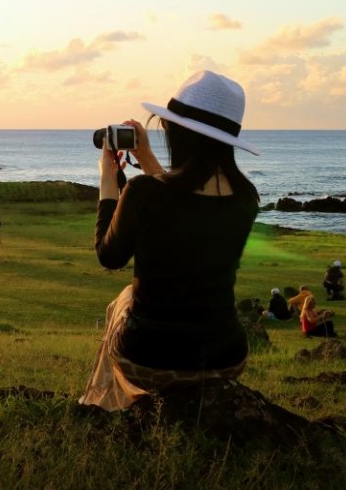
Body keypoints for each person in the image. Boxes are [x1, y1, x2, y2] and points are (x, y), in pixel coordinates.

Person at [78, 70, 261, 411]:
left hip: (148, 361)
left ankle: (100, 404)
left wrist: (107, 178)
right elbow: (183, 205)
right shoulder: (246, 197)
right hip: (226, 358)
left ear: (179, 134)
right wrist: (146, 158)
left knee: (125, 298)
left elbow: (109, 256)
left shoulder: (143, 192)